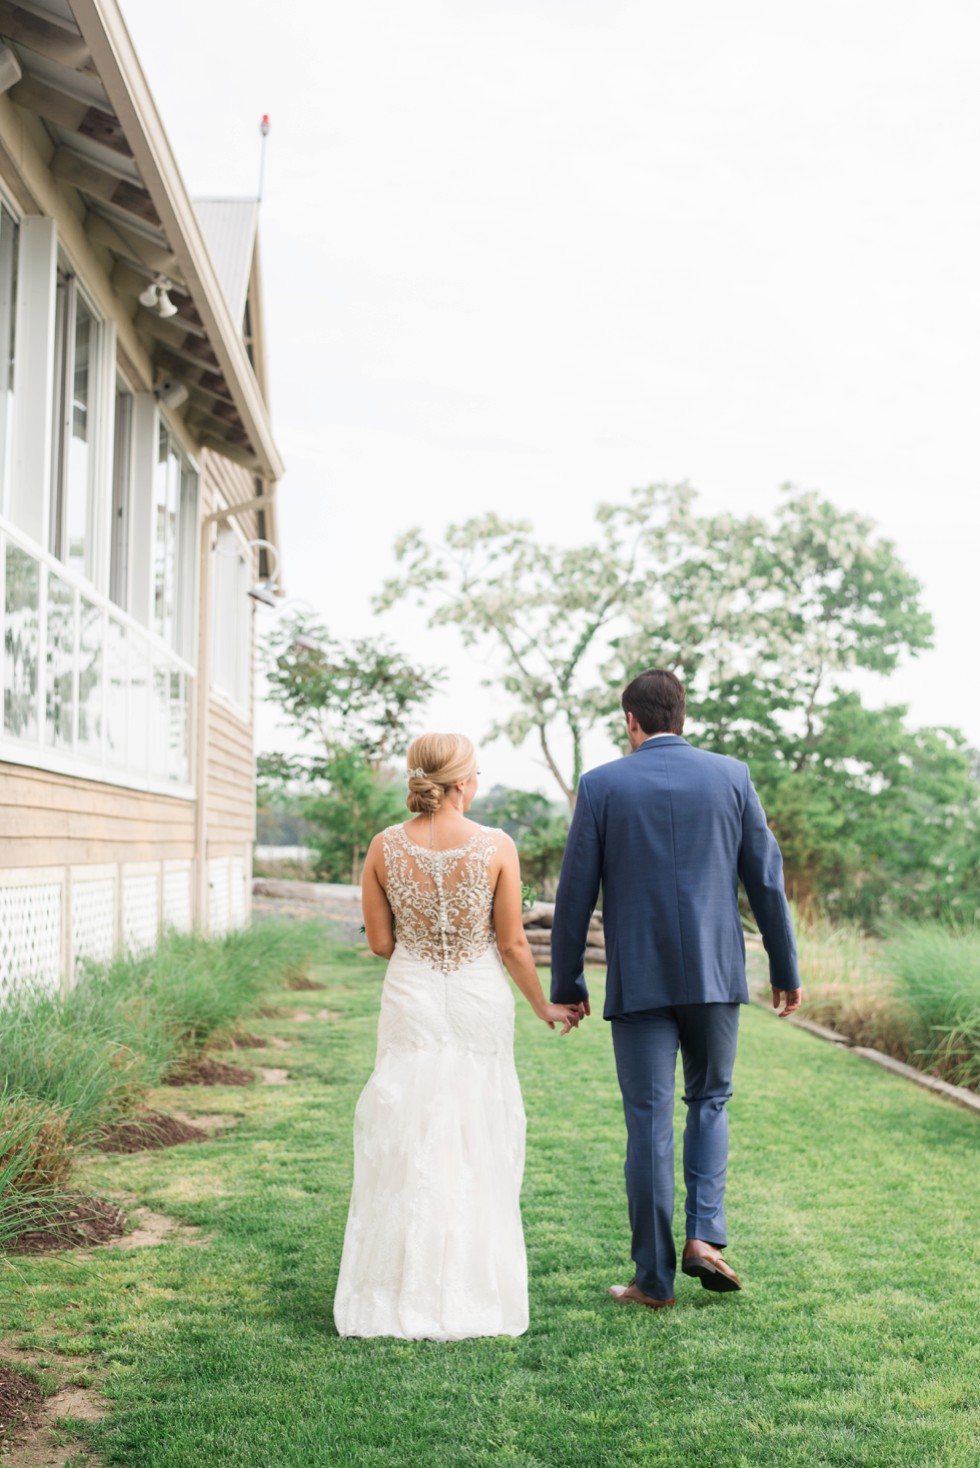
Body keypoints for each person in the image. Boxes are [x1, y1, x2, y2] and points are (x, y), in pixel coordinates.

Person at [550, 669, 802, 1309]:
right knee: (710, 1100)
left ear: (631, 720)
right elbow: (766, 884)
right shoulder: (732, 777)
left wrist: (569, 981)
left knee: (648, 1125)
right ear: (681, 716)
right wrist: (784, 969)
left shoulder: (601, 785)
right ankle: (705, 1238)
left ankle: (653, 1281)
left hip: (638, 980)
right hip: (717, 976)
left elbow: (574, 894)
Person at [333, 732, 582, 1340]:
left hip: (412, 994)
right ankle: (471, 1289)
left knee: (407, 1130)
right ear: (464, 783)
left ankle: (393, 1290)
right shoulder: (496, 845)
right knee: (476, 1131)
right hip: (477, 996)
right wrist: (543, 1006)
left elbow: (380, 943)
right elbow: (512, 943)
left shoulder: (383, 847)